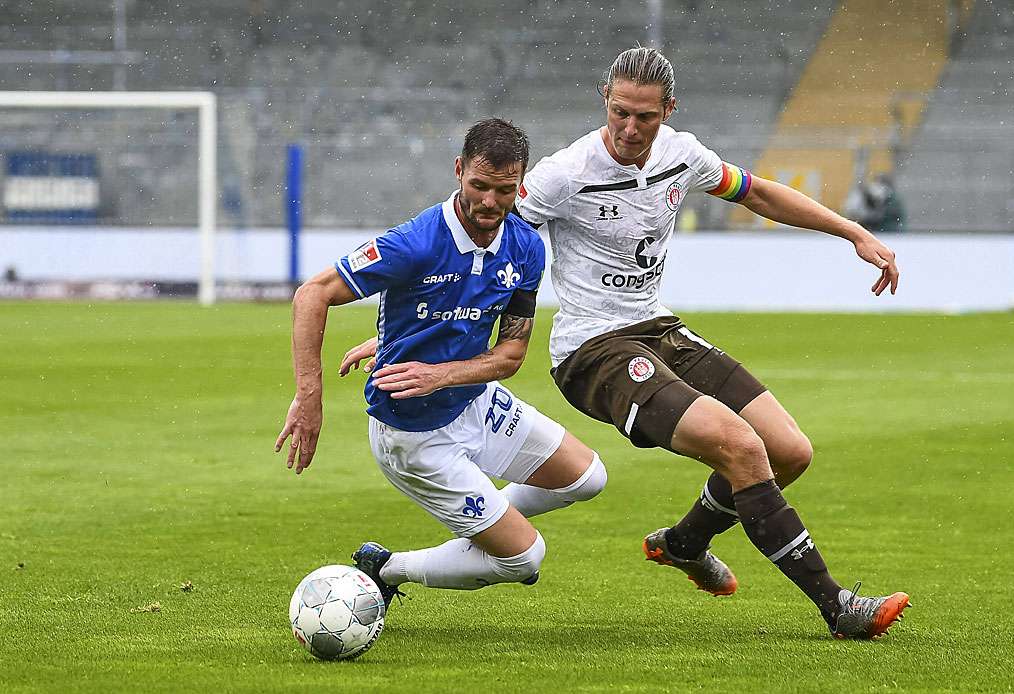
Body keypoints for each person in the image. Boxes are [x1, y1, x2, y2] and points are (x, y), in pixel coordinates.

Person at [350, 48, 910, 639]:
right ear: (605, 101)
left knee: (790, 451)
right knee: (740, 447)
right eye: (619, 112)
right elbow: (485, 242)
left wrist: (852, 232)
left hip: (656, 327)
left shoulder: (682, 155)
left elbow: (758, 193)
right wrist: (400, 334)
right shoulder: (562, 175)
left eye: (645, 116)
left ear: (669, 110)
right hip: (592, 348)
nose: (629, 128)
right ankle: (838, 607)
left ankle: (686, 542)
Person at [276, 119, 606, 608]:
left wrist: (437, 370)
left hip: (474, 400)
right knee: (525, 558)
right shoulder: (414, 243)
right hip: (414, 434)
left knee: (587, 478)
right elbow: (313, 294)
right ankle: (389, 568)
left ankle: (487, 527)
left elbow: (512, 352)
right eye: (478, 185)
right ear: (458, 171)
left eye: (504, 190)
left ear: (521, 182)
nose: (489, 202)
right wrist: (309, 397)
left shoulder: (527, 247)